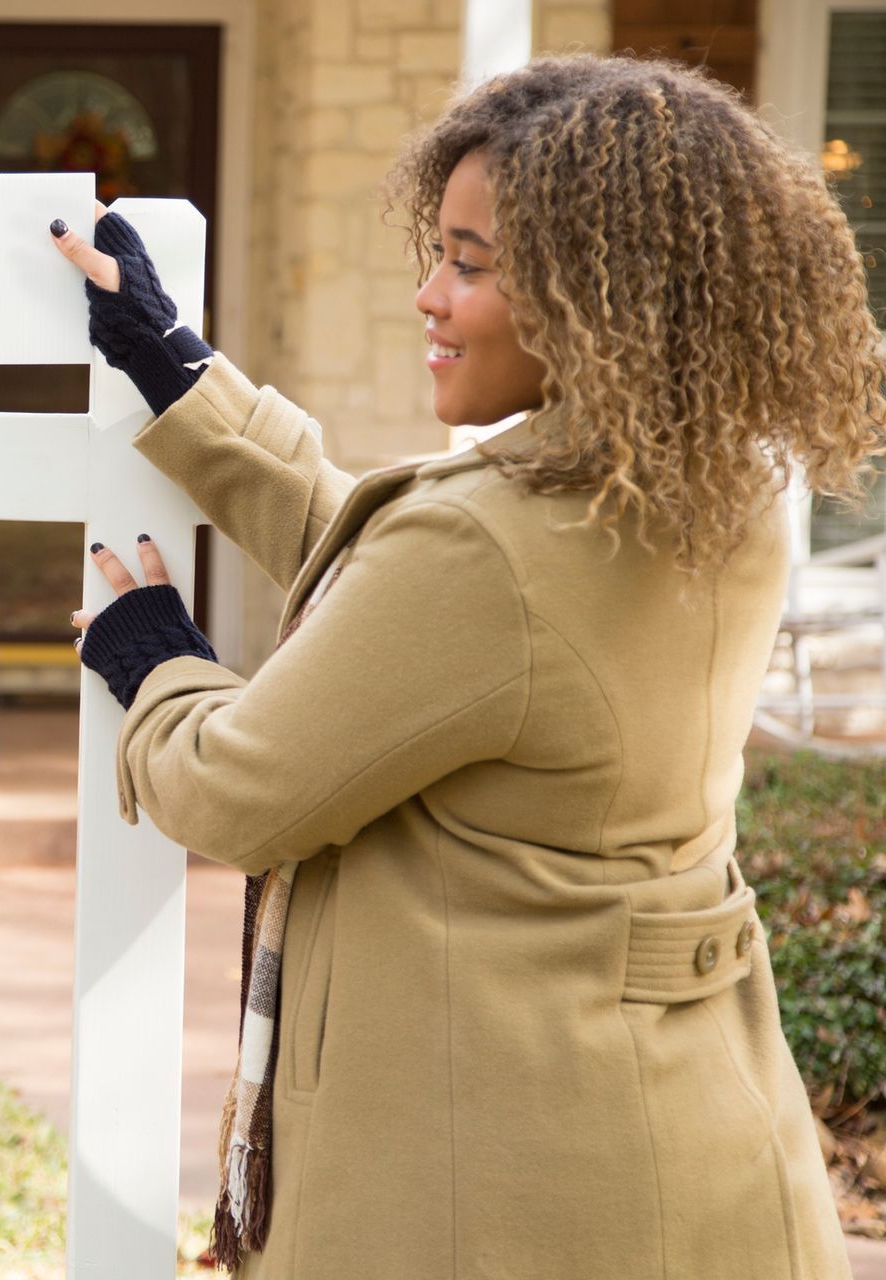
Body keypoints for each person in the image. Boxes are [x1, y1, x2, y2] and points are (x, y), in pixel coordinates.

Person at [49, 54, 886, 1279]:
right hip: (689, 1153)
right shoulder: (706, 484)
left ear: (602, 293)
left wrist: (161, 663)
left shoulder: (494, 549)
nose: (432, 294)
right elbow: (419, 615)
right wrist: (190, 383)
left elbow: (238, 785)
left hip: (497, 1192)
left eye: (473, 264)